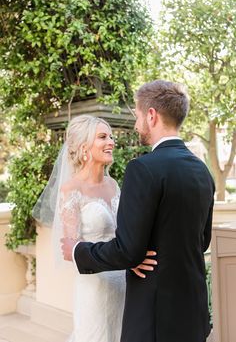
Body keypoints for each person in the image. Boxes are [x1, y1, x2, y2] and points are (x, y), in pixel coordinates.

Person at [62, 80, 215, 342]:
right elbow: (202, 241)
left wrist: (78, 250)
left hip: (154, 315)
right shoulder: (202, 170)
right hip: (193, 310)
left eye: (138, 115)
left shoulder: (143, 169)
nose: (135, 125)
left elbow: (128, 250)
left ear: (152, 116)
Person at [33, 114, 155, 342]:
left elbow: (126, 233)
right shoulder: (71, 189)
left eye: (110, 136)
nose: (111, 142)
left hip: (125, 282)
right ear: (84, 147)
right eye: (102, 137)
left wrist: (134, 256)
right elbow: (72, 249)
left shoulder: (113, 184)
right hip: (94, 286)